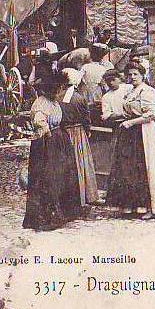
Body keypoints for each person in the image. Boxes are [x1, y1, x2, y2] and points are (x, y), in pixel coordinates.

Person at [105, 63, 155, 219]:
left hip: (143, 131)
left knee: (144, 167)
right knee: (129, 169)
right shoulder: (130, 90)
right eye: (130, 74)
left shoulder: (147, 91)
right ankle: (132, 204)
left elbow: (152, 115)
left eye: (136, 74)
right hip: (130, 133)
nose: (132, 77)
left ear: (142, 75)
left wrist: (131, 122)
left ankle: (150, 206)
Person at [22, 70, 81, 231]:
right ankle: (46, 216)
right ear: (52, 89)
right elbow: (39, 122)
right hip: (47, 143)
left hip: (58, 139)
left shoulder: (54, 102)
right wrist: (49, 135)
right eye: (59, 88)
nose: (61, 91)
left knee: (62, 175)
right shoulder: (41, 103)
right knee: (48, 177)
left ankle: (63, 211)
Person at [59, 79, 99, 209]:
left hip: (64, 132)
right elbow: (86, 117)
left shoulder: (58, 97)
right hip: (78, 132)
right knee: (82, 161)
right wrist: (87, 130)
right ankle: (87, 194)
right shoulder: (79, 98)